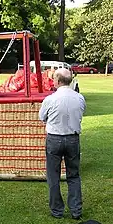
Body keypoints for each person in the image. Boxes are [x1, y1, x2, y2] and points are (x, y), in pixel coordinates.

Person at [39, 68, 86, 220]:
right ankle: (76, 210)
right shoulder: (79, 98)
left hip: (54, 138)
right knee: (74, 175)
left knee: (53, 176)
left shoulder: (50, 99)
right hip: (72, 138)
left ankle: (57, 210)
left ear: (58, 81)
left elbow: (42, 117)